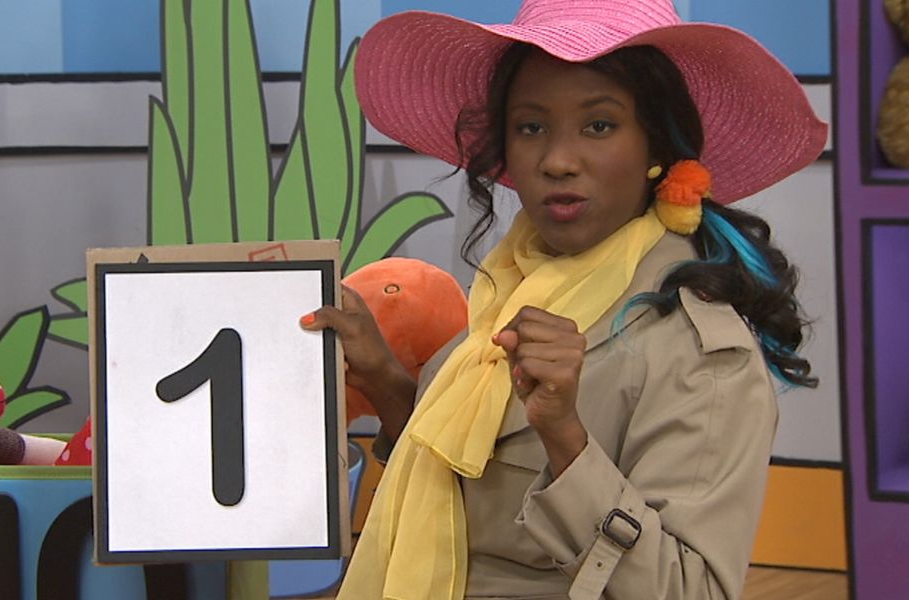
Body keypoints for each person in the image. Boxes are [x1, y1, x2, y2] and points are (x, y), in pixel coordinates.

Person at [298, 1, 826, 598]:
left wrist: (565, 436)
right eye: (531, 128)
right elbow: (468, 493)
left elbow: (691, 590)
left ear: (657, 148)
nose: (557, 161)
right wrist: (385, 381)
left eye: (599, 125)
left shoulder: (701, 355)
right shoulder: (512, 288)